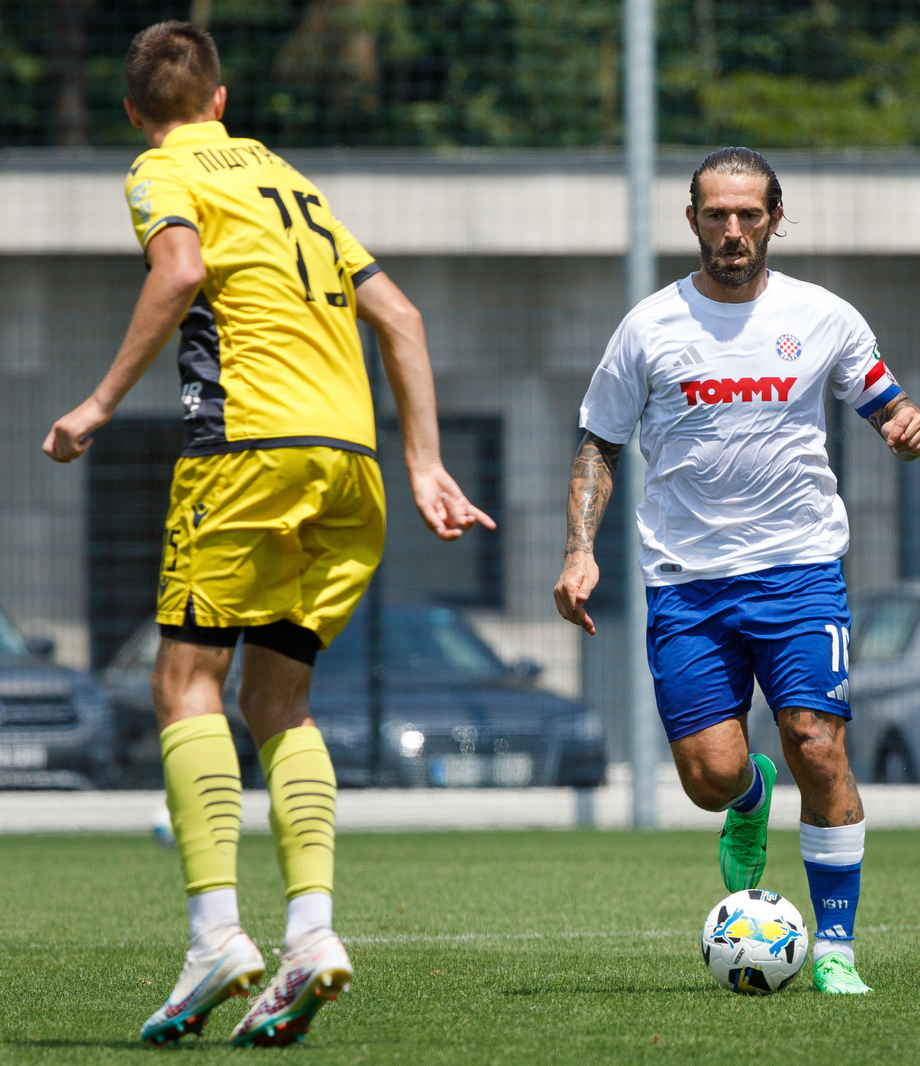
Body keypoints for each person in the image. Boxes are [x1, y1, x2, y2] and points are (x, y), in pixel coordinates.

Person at [42, 21, 493, 1046]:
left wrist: (101, 402)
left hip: (247, 450)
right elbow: (404, 318)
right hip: (354, 464)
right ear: (222, 99)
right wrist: (424, 462)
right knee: (278, 700)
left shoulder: (159, 171)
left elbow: (179, 272)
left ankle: (214, 937)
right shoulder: (293, 180)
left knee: (183, 684)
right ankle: (311, 934)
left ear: (133, 113)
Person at [553, 147, 920, 995]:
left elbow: (884, 399)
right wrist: (580, 550)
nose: (732, 230)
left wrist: (906, 423)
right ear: (691, 220)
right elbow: (599, 445)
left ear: (776, 218)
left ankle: (835, 947)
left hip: (799, 572)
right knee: (710, 776)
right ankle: (749, 795)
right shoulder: (648, 328)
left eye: (748, 215)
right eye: (716, 215)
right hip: (686, 580)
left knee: (817, 747)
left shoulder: (825, 315)